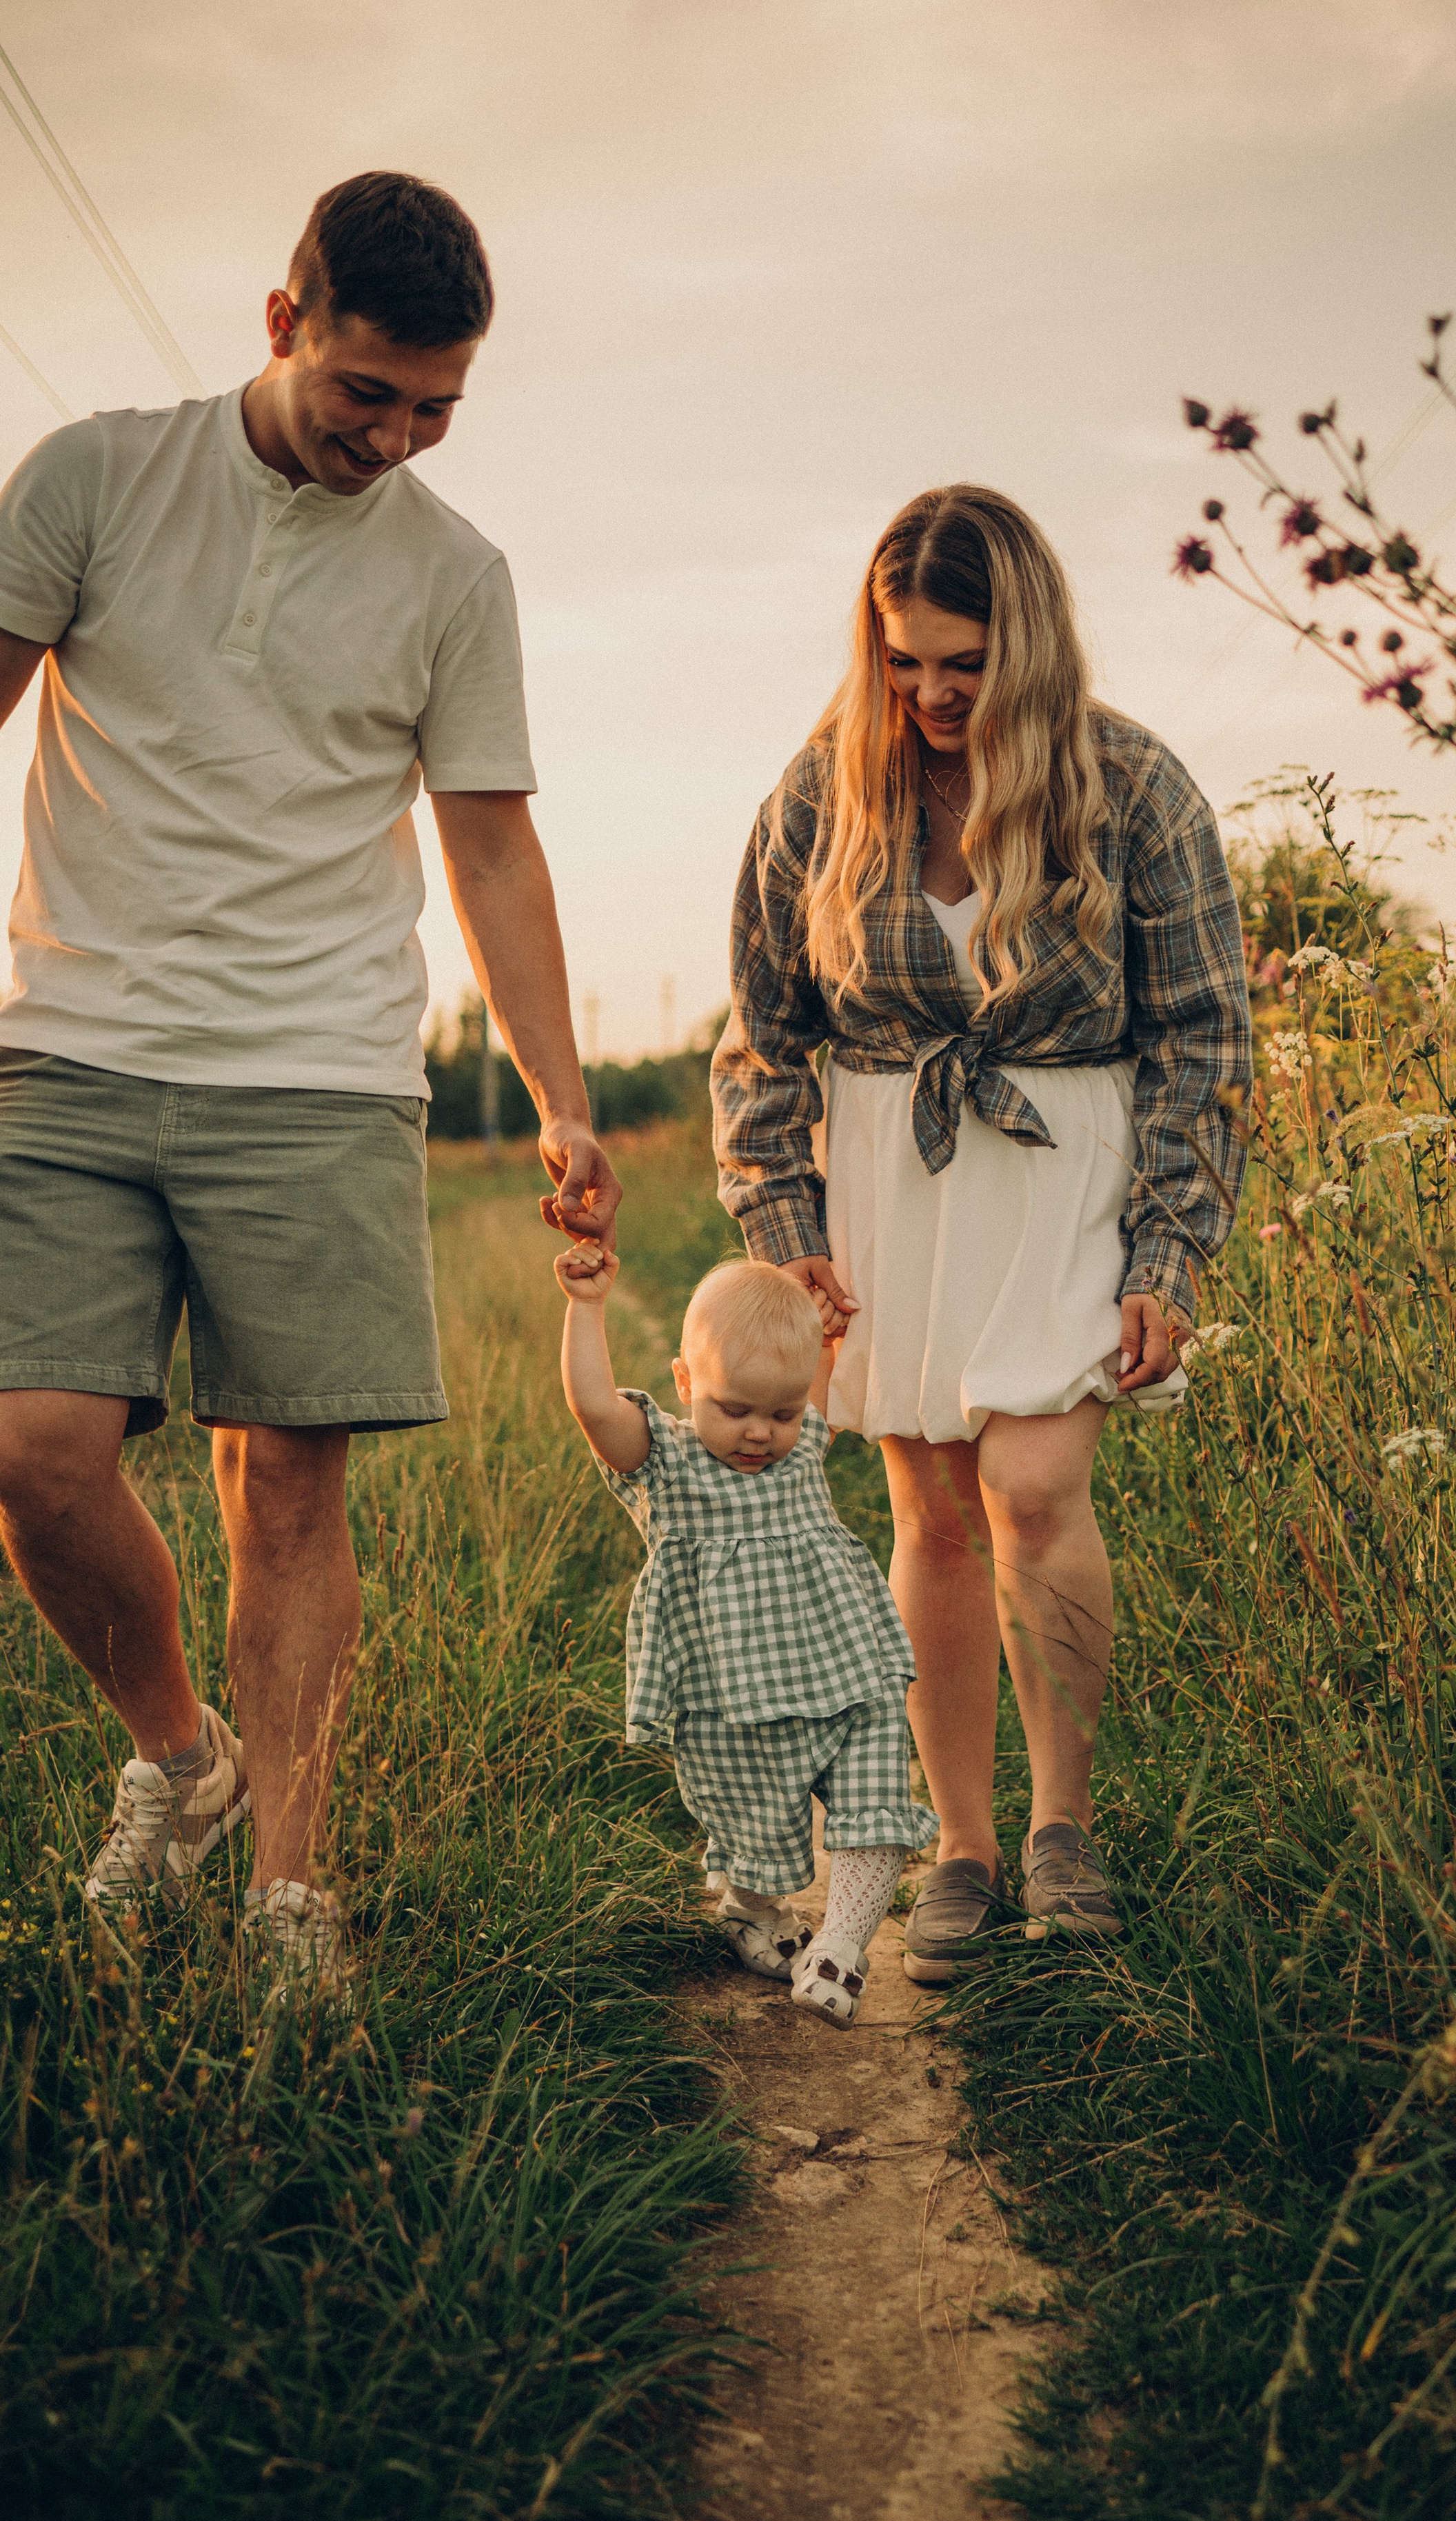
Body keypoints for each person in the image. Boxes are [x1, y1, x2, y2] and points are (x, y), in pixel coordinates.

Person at [0, 172, 617, 1996]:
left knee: (288, 1485)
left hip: (324, 1071)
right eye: (370, 394)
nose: (397, 437)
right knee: (34, 1452)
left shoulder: (454, 575)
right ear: (286, 323)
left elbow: (493, 854)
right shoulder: (94, 479)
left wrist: (565, 1094)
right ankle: (182, 1758)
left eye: (435, 409)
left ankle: (289, 1894)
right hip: (72, 1044)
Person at [712, 485, 1251, 1983]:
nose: (931, 694)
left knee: (1029, 1483)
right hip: (888, 1170)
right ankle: (956, 1843)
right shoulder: (823, 791)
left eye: (962, 662)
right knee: (932, 1517)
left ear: (1025, 643)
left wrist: (1167, 1253)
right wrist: (782, 1222)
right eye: (902, 662)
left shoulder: (1131, 785)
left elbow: (1204, 1036)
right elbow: (760, 1037)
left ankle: (1059, 1825)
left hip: (1063, 1160)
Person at [555, 1247, 936, 2026]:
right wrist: (587, 1306)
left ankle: (839, 1948)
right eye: (735, 1409)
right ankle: (752, 1911)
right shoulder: (665, 1459)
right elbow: (594, 1406)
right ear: (685, 1383)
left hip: (845, 1669)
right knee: (759, 1826)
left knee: (876, 1799)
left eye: (785, 1413)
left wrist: (822, 1341)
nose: (761, 1432)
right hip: (731, 1697)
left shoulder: (800, 1439)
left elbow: (807, 1387)